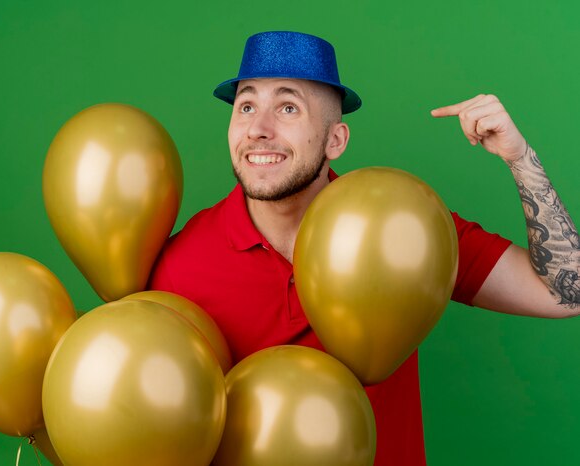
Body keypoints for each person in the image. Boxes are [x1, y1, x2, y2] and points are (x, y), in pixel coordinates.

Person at [149, 31, 580, 465]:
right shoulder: (179, 266)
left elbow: (567, 293)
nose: (259, 130)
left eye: (288, 107)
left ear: (335, 140)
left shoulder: (406, 228)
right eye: (246, 106)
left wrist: (520, 157)